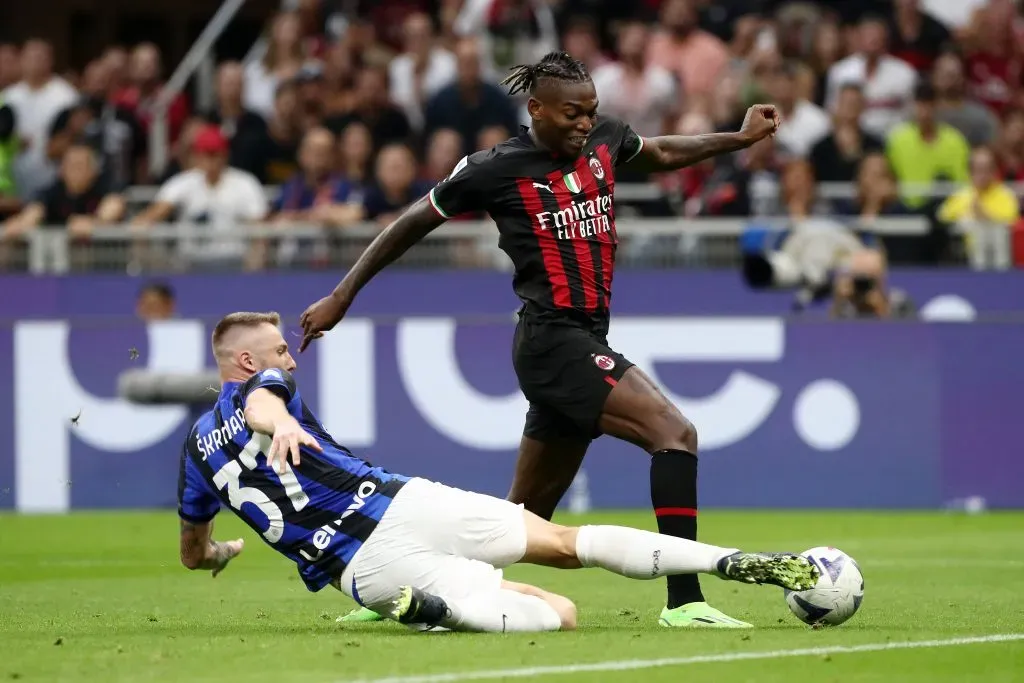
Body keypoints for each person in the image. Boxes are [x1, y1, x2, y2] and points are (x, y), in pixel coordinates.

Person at [299, 51, 782, 628]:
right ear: (537, 109)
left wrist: (739, 138)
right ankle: (686, 603)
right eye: (573, 114)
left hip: (581, 336)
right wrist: (343, 295)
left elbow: (658, 152)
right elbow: (410, 222)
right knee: (674, 433)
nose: (585, 123)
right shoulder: (494, 168)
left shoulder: (604, 139)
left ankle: (412, 593)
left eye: (591, 112)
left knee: (522, 519)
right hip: (553, 341)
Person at [178, 311, 820, 633]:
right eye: (281, 350)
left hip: (364, 569)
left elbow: (192, 551)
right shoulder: (261, 391)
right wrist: (281, 421)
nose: (290, 361)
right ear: (245, 359)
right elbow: (262, 402)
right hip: (402, 502)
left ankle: (441, 612)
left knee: (558, 613)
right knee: (565, 557)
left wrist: (223, 550)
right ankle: (726, 560)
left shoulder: (196, 455)